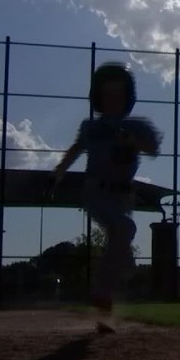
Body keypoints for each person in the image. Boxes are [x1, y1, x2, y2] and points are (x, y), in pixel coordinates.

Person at [49, 62, 161, 333]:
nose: (112, 100)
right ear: (98, 98)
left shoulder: (137, 125)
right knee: (125, 228)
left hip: (123, 197)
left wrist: (131, 141)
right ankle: (102, 294)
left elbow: (153, 148)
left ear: (128, 98)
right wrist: (60, 171)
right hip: (96, 191)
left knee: (121, 241)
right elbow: (76, 149)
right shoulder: (91, 127)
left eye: (118, 95)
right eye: (107, 95)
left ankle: (103, 304)